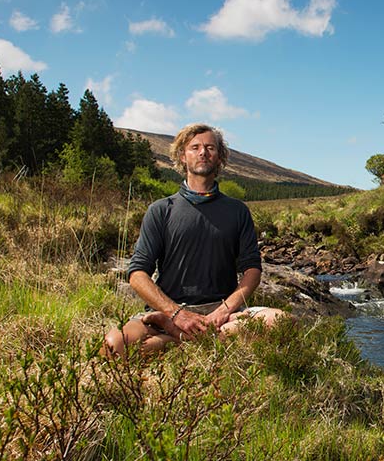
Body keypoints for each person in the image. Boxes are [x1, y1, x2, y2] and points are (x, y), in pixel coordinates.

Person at [103, 123, 287, 358]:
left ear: (219, 157)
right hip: (168, 312)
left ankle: (176, 341)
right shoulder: (160, 210)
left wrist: (223, 311)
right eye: (195, 147)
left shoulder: (237, 211)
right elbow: (137, 274)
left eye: (210, 147)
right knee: (113, 345)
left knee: (282, 322)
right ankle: (196, 340)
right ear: (182, 155)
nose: (203, 152)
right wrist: (175, 314)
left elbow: (252, 270)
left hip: (223, 316)